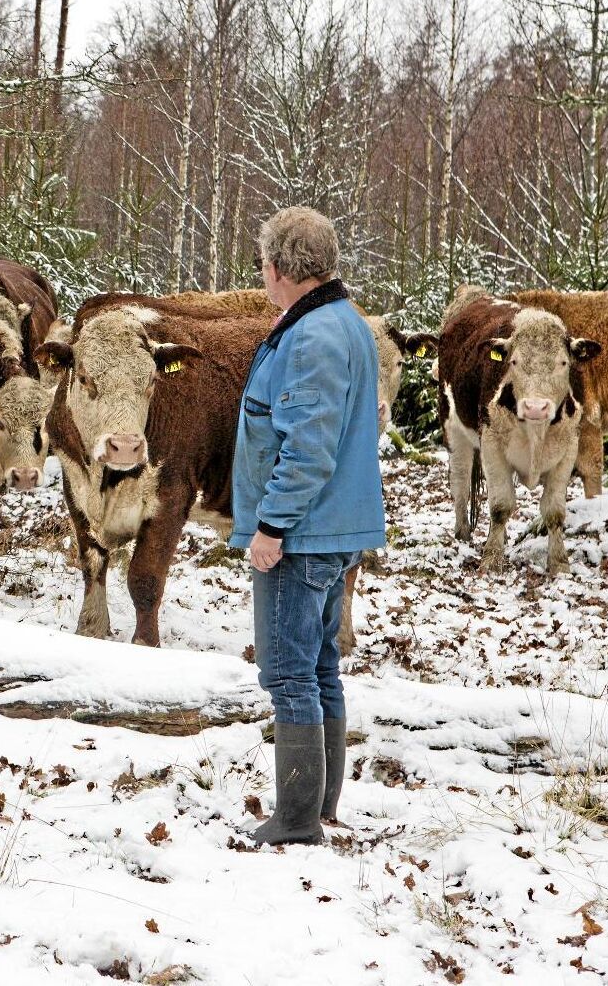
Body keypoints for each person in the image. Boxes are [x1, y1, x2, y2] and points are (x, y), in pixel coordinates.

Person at [229, 206, 386, 846]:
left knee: (290, 671)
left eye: (263, 265)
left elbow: (310, 446)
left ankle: (295, 820)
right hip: (335, 527)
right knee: (320, 665)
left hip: (305, 533)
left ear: (277, 268)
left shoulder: (314, 336)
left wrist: (270, 525)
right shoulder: (343, 322)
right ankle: (317, 805)